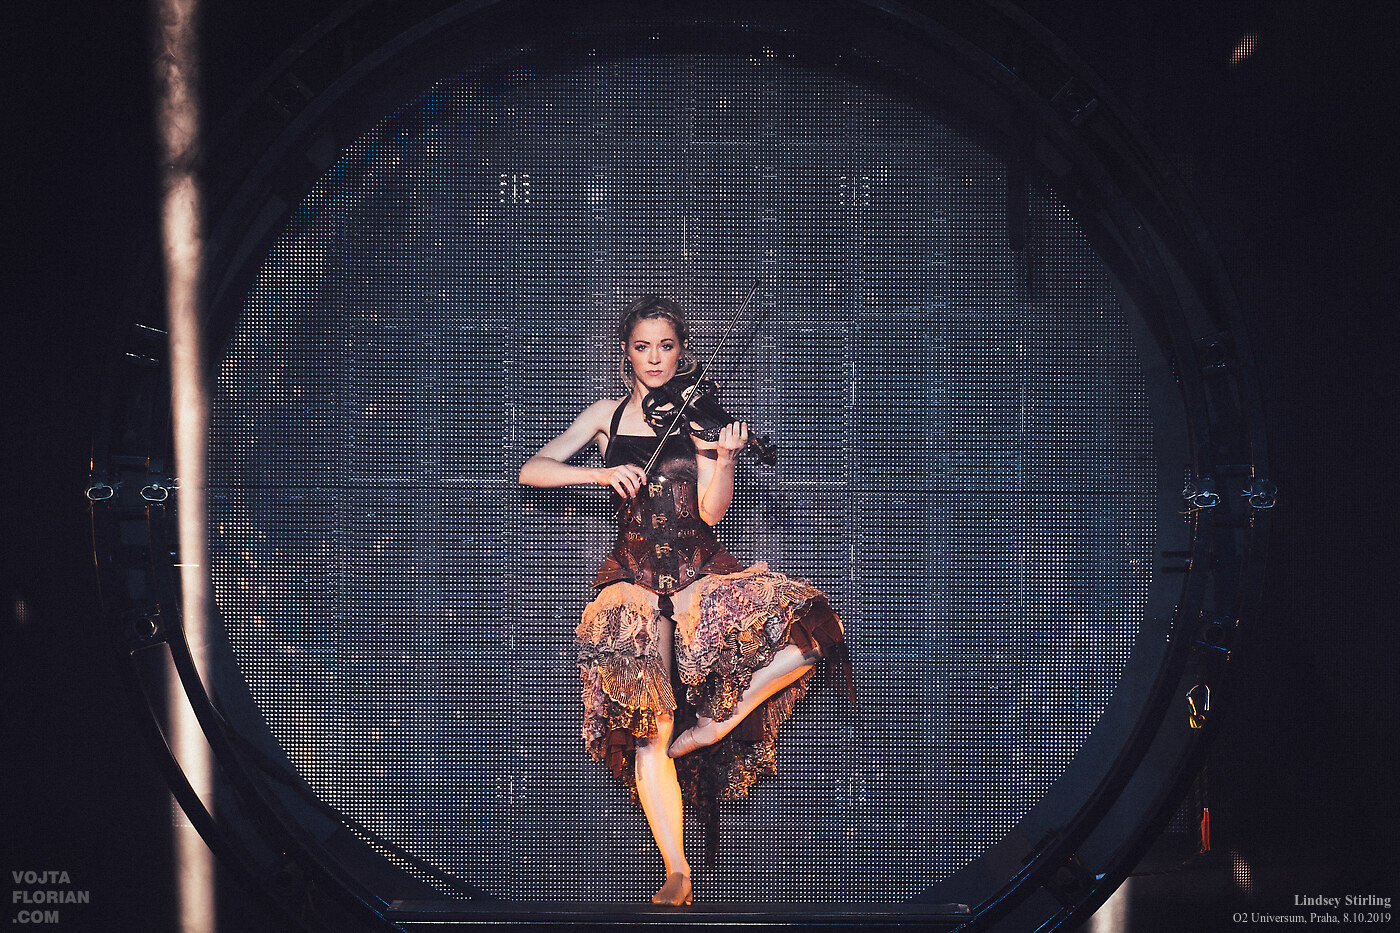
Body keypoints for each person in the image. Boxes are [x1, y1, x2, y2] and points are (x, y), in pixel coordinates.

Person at [518, 295, 853, 906]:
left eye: (666, 347)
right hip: (634, 580)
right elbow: (532, 470)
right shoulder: (606, 415)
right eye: (642, 347)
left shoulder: (699, 417)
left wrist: (723, 455)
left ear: (682, 352)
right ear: (626, 352)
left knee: (813, 633)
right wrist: (598, 474)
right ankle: (677, 870)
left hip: (699, 574)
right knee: (653, 728)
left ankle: (719, 720)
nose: (654, 358)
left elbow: (711, 512)